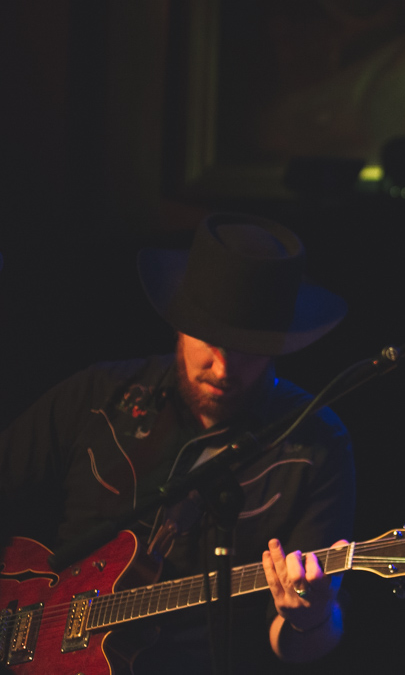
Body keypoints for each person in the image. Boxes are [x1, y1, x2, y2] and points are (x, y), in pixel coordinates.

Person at [0, 213, 356, 674]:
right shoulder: (98, 397)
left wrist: (311, 619)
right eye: (210, 340)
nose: (223, 368)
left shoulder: (315, 444)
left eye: (248, 348)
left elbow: (298, 640)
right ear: (180, 322)